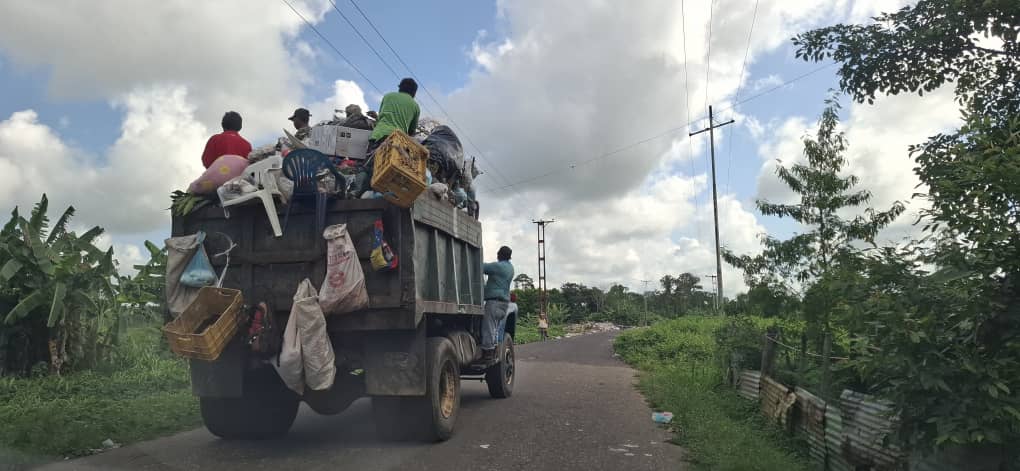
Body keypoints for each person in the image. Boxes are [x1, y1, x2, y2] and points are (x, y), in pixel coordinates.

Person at [367, 78, 420, 155]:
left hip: (378, 136)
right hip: (397, 141)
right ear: (414, 92)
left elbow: (382, 118)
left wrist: (376, 117)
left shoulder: (388, 96)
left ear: (400, 87)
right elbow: (411, 132)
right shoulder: (415, 106)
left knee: (370, 163)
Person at [481, 246, 514, 363]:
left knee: (488, 327)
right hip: (504, 304)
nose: (497, 255)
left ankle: (488, 352)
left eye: (498, 253)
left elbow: (481, 266)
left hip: (494, 302)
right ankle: (494, 350)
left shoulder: (498, 266)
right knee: (495, 328)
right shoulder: (510, 268)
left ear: (500, 254)